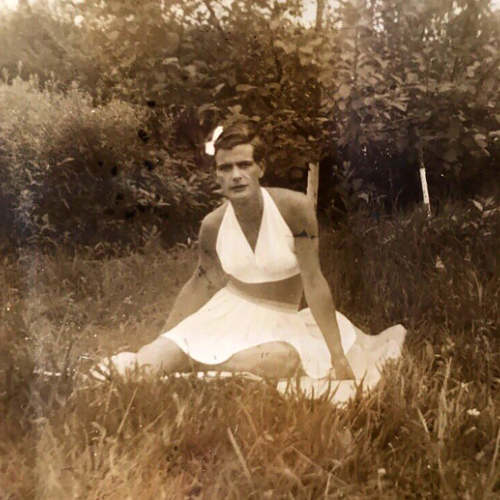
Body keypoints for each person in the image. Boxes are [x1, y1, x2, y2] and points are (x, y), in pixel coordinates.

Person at [97, 122, 406, 389]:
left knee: (279, 361)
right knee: (147, 363)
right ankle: (186, 362)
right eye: (226, 167)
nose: (236, 175)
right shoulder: (213, 225)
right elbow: (200, 284)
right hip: (225, 316)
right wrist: (165, 338)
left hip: (280, 322)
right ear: (217, 174)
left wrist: (337, 357)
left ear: (261, 168)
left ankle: (197, 367)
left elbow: (314, 282)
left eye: (244, 165)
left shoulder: (295, 209)